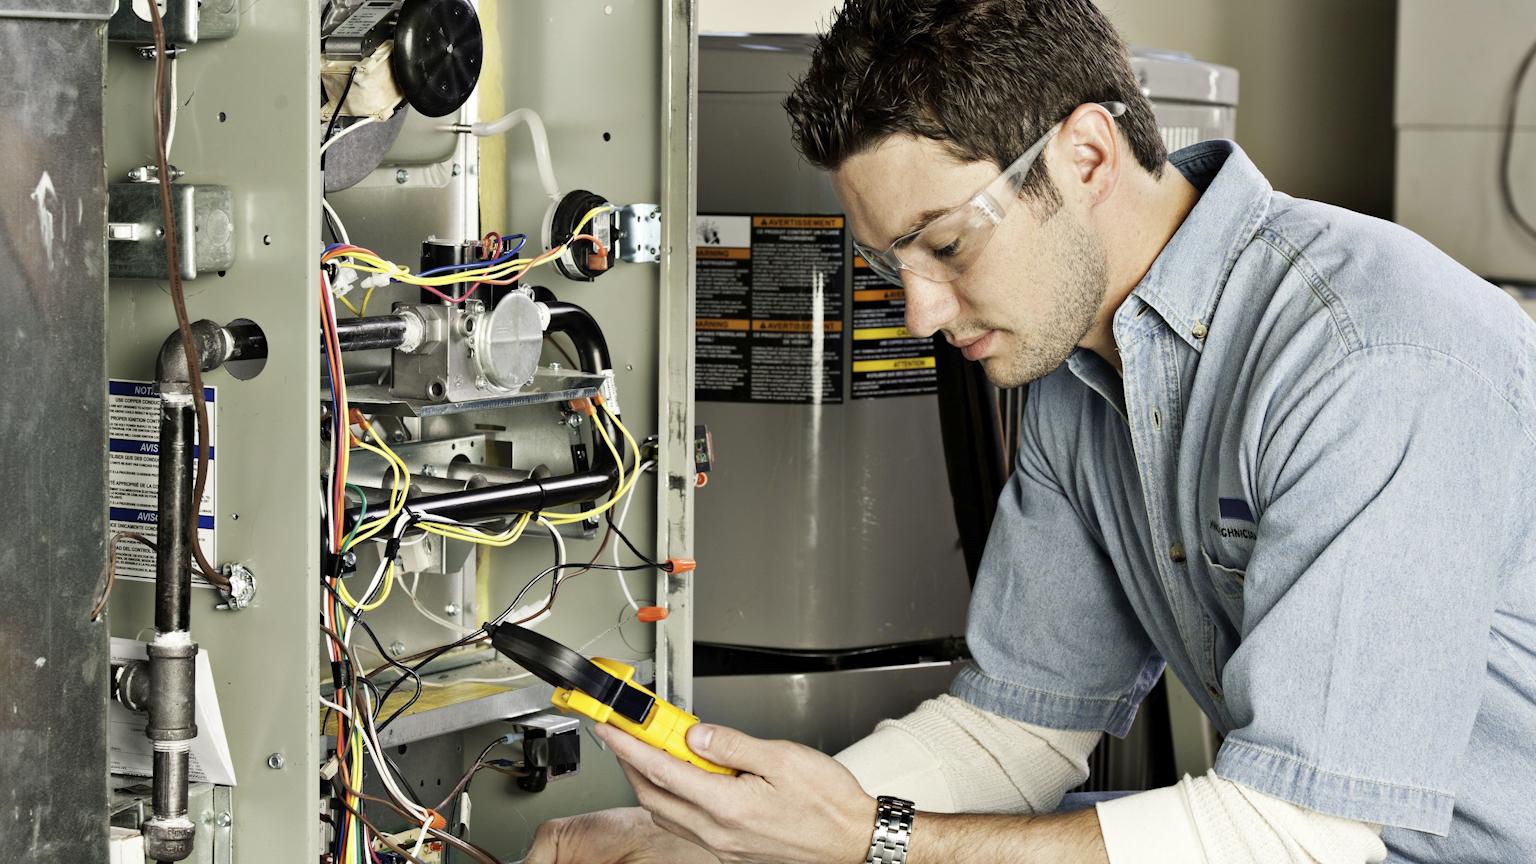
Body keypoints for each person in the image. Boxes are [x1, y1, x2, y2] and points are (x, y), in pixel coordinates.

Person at [527, 1, 1536, 862]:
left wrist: (871, 839)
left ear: (1087, 155)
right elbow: (1018, 729)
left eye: (948, 244)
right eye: (891, 266)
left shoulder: (1370, 356)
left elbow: (1303, 835)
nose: (918, 313)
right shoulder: (1078, 368)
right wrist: (728, 840)